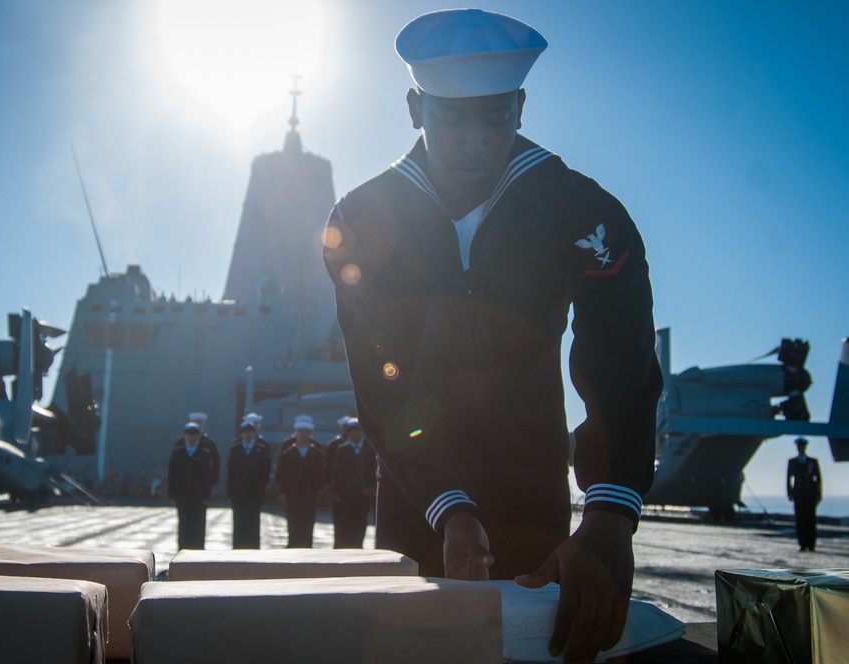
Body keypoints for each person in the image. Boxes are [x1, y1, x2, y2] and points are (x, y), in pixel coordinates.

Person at [322, 9, 661, 663]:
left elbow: (620, 357)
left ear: (522, 106)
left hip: (532, 491)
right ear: (415, 108)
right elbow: (382, 376)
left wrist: (612, 512)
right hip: (417, 496)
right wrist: (448, 505)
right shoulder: (361, 220)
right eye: (454, 120)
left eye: (496, 118)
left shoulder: (584, 213)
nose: (477, 142)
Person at [275, 418, 325, 548]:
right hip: (292, 496)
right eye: (300, 432)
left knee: (308, 525)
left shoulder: (317, 454)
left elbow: (321, 475)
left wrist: (319, 492)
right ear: (295, 434)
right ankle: (293, 548)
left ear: (310, 434)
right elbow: (281, 475)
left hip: (309, 496)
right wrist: (282, 493)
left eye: (306, 432)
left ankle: (307, 549)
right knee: (293, 524)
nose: (303, 435)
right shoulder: (288, 453)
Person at [167, 422, 215, 550]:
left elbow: (207, 477)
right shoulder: (178, 452)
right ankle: (182, 552)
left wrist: (206, 495)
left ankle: (197, 554)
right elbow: (172, 473)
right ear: (184, 437)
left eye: (194, 435)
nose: (191, 438)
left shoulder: (204, 454)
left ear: (198, 437)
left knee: (197, 526)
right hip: (182, 496)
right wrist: (172, 493)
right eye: (189, 435)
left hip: (198, 497)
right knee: (183, 525)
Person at [331, 418, 377, 548]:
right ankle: (345, 545)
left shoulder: (369, 450)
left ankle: (358, 545)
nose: (357, 434)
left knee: (361, 521)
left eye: (359, 431)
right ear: (349, 432)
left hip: (363, 493)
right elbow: (337, 471)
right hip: (346, 493)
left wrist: (371, 487)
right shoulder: (342, 449)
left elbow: (372, 469)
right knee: (346, 521)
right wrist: (336, 491)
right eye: (354, 431)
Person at [227, 421, 272, 549]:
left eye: (250, 432)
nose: (248, 435)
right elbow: (231, 471)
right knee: (239, 521)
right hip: (238, 492)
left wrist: (263, 491)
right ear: (241, 434)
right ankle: (238, 547)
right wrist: (230, 492)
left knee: (253, 522)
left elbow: (265, 471)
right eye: (245, 432)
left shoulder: (260, 449)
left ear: (254, 433)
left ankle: (253, 547)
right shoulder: (235, 449)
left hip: (255, 493)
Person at [787, 437, 822, 552]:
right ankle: (802, 544)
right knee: (800, 519)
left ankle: (811, 545)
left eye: (802, 446)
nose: (800, 448)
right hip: (799, 494)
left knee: (810, 520)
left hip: (809, 494)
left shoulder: (812, 461)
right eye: (799, 446)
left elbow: (818, 479)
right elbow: (789, 479)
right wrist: (790, 493)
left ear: (805, 447)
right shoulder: (792, 462)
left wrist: (818, 493)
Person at [189, 411, 221, 494]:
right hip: (186, 483)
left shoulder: (209, 443)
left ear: (204, 424)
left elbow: (216, 463)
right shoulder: (182, 441)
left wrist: (213, 483)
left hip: (203, 484)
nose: (198, 425)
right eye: (195, 423)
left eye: (200, 423)